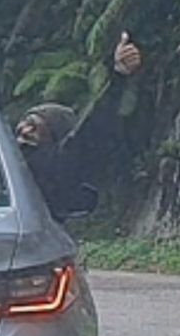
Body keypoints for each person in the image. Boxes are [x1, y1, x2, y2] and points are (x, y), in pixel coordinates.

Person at [15, 31, 143, 222]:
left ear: (56, 138)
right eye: (25, 123)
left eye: (35, 127)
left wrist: (119, 76)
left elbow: (94, 125)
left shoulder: (57, 164)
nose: (25, 131)